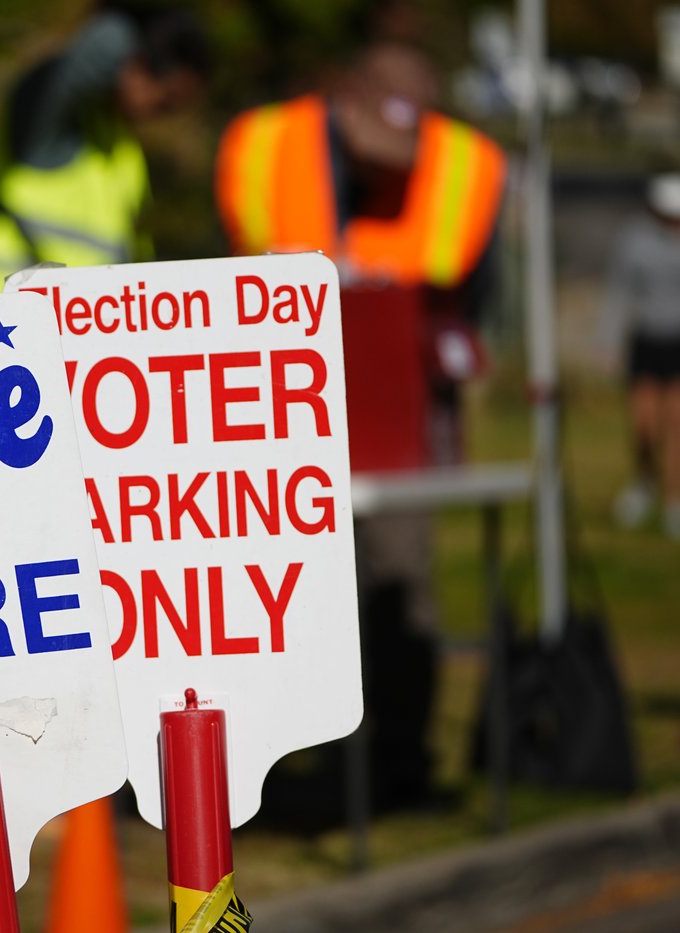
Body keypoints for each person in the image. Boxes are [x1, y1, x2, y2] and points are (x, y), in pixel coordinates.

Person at [215, 36, 506, 808]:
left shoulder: (465, 167)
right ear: (344, 106)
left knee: (399, 579)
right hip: (278, 413)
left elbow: (462, 302)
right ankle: (295, 770)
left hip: (394, 414)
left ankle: (397, 761)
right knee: (288, 596)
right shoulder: (265, 146)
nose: (387, 169)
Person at [0, 5, 209, 296]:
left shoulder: (117, 146)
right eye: (165, 100)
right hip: (1, 318)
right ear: (135, 67)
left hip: (73, 324)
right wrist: (137, 19)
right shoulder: (51, 126)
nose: (163, 115)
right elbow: (93, 54)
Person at [600, 172, 680, 540]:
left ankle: (677, 502)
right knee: (644, 425)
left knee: (679, 424)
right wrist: (608, 340)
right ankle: (644, 485)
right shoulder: (634, 239)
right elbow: (620, 290)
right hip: (647, 340)